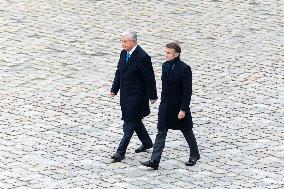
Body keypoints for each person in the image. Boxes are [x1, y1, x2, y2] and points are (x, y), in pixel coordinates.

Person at [141, 42, 200, 170]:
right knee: (161, 132)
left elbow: (187, 91)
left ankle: (195, 154)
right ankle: (154, 160)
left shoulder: (185, 69)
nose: (166, 55)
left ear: (176, 54)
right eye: (165, 52)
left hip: (178, 107)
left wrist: (183, 109)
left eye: (169, 52)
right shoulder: (165, 66)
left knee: (186, 130)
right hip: (165, 106)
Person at [109, 30, 158, 163]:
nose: (122, 44)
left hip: (137, 97)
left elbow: (149, 78)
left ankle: (120, 152)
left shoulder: (143, 57)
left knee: (129, 124)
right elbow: (119, 72)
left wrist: (153, 96)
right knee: (135, 121)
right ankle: (147, 142)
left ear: (133, 42)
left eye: (125, 41)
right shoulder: (124, 53)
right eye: (122, 41)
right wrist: (114, 89)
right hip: (125, 95)